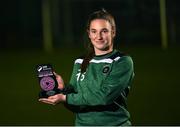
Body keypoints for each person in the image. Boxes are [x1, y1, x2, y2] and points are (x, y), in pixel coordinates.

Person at [39, 9, 135, 126]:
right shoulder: (80, 62)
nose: (98, 36)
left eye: (104, 31)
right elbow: (76, 105)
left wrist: (65, 98)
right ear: (89, 34)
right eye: (94, 31)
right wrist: (62, 89)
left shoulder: (122, 61)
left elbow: (104, 97)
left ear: (113, 32)